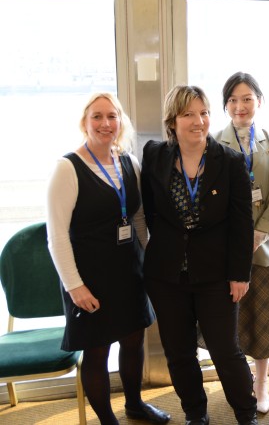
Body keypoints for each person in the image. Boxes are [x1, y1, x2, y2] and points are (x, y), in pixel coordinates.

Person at [45, 93, 170, 425]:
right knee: (97, 351)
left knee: (133, 341)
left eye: (112, 116)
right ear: (84, 122)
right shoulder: (67, 168)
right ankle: (107, 420)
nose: (105, 124)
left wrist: (150, 266)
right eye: (97, 117)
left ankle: (135, 405)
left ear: (121, 122)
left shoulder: (129, 162)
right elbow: (56, 236)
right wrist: (75, 287)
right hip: (89, 278)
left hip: (129, 272)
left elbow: (140, 220)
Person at [141, 85, 257, 425]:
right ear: (172, 121)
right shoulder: (154, 155)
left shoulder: (230, 161)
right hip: (167, 276)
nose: (199, 121)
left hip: (217, 276)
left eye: (204, 112)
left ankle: (245, 413)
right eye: (189, 114)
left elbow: (242, 223)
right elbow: (149, 212)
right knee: (178, 353)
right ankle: (195, 413)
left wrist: (240, 274)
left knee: (225, 351)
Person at [209, 72, 269, 414]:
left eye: (247, 99)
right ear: (225, 105)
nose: (240, 106)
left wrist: (260, 233)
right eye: (233, 100)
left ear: (259, 101)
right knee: (230, 321)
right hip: (227, 248)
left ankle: (261, 385)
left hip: (261, 246)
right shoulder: (214, 143)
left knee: (261, 318)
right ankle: (235, 383)